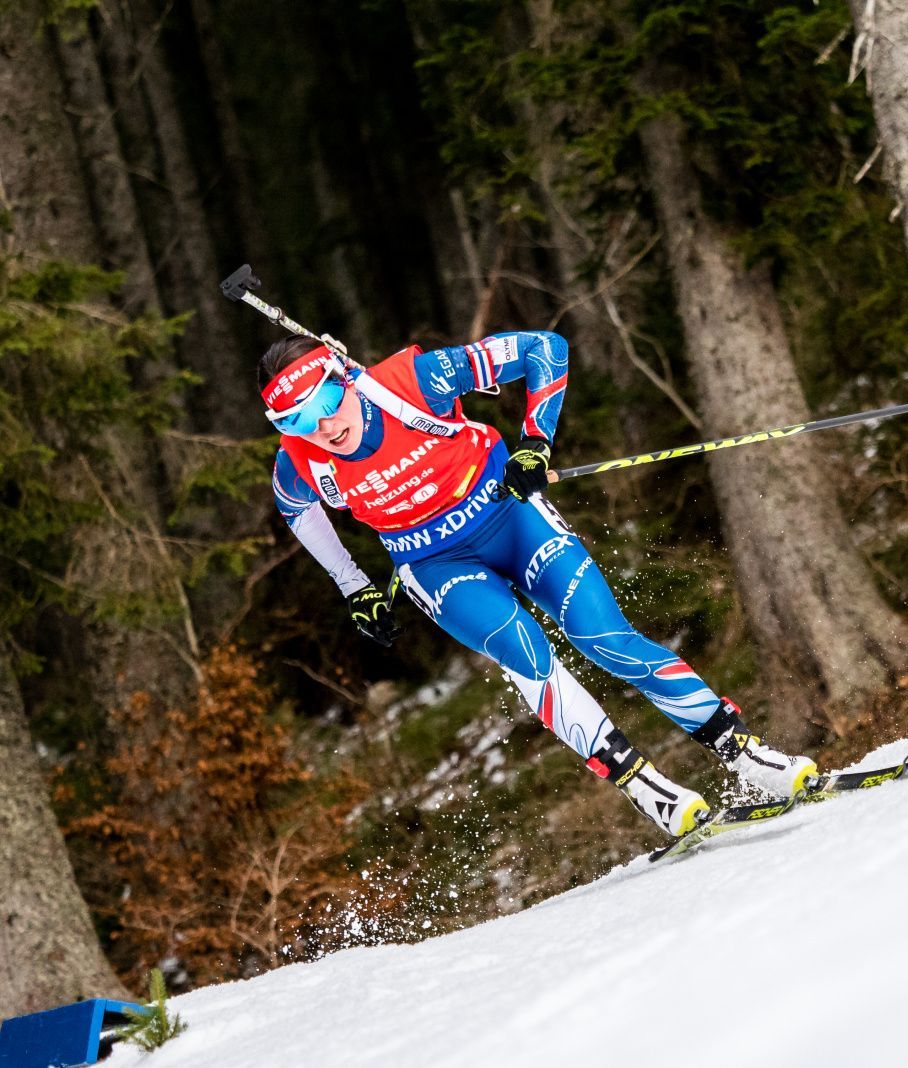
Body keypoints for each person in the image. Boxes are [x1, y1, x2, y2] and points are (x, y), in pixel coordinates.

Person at [262, 329, 817, 838]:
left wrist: (535, 442)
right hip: (435, 565)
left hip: (509, 516)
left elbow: (543, 349)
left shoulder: (414, 381)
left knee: (601, 635)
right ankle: (649, 789)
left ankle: (745, 755)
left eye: (328, 404)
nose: (324, 428)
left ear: (345, 379)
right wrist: (353, 585)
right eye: (298, 422)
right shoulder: (299, 462)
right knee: (524, 651)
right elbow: (296, 512)